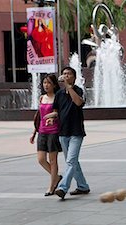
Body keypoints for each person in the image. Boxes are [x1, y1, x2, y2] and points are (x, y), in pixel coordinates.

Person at [47, 67, 90, 201]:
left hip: (76, 132)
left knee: (70, 161)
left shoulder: (78, 91)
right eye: (64, 74)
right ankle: (83, 186)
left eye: (68, 74)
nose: (66, 76)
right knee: (72, 161)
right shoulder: (59, 94)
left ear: (74, 77)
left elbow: (78, 102)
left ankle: (62, 188)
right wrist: (51, 118)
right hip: (63, 132)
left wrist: (68, 87)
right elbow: (57, 111)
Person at [30, 74, 62, 196]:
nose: (46, 85)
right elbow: (39, 116)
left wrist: (52, 117)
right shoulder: (42, 98)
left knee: (53, 161)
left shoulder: (57, 98)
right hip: (42, 131)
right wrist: (34, 132)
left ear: (54, 85)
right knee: (41, 159)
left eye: (48, 83)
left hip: (53, 132)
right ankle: (57, 177)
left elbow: (57, 113)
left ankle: (51, 186)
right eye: (44, 83)